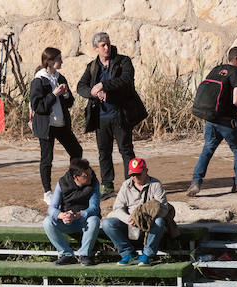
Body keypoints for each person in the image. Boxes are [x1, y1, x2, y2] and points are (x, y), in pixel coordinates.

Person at [187, 47, 237, 197]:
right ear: (236, 59)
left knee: (207, 150)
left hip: (211, 119)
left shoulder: (217, 70)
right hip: (228, 122)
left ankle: (196, 182)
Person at [77, 32, 141, 196]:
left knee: (126, 151)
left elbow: (126, 81)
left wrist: (104, 86)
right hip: (101, 117)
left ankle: (131, 184)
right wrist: (92, 92)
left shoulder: (123, 61)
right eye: (103, 45)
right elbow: (80, 86)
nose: (107, 47)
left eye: (108, 44)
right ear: (96, 48)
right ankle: (107, 185)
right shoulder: (92, 66)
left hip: (120, 114)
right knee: (103, 152)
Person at [102, 157, 179, 266]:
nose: (135, 177)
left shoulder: (156, 184)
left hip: (149, 223)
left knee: (159, 222)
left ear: (146, 171)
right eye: (132, 174)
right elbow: (117, 208)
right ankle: (128, 253)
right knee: (107, 223)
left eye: (138, 174)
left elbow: (163, 209)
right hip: (131, 223)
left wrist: (144, 219)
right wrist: (128, 219)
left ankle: (147, 255)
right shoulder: (126, 185)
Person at [30, 47, 83, 204]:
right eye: (59, 59)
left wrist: (65, 94)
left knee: (76, 150)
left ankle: (72, 182)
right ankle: (47, 192)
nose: (62, 61)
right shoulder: (39, 80)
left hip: (61, 124)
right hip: (47, 126)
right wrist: (54, 94)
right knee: (47, 159)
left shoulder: (60, 77)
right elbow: (38, 106)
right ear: (50, 62)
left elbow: (70, 102)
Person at [43, 157, 101, 266]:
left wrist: (77, 215)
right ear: (76, 177)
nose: (90, 177)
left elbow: (94, 208)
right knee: (47, 222)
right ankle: (66, 254)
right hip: (67, 222)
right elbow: (51, 208)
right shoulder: (62, 183)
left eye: (90, 173)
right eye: (86, 175)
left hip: (84, 222)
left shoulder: (94, 183)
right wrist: (62, 215)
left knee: (94, 220)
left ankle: (85, 254)